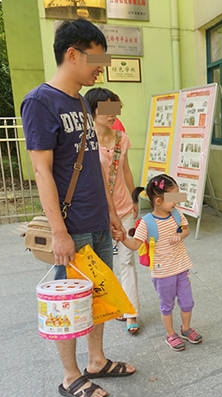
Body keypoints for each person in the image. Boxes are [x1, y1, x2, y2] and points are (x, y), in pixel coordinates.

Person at [21, 19, 135, 397]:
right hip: (72, 226)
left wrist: (112, 213)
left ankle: (97, 361)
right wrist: (59, 231)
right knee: (70, 301)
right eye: (95, 58)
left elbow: (91, 167)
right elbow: (42, 170)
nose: (100, 67)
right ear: (72, 54)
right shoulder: (40, 102)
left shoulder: (82, 105)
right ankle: (70, 376)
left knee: (98, 296)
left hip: (99, 219)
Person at [121, 174, 202, 351]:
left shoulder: (176, 214)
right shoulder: (147, 223)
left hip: (181, 267)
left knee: (187, 302)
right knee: (167, 305)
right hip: (162, 273)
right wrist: (122, 239)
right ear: (158, 200)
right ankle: (170, 334)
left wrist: (179, 235)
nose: (176, 202)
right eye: (173, 198)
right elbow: (135, 244)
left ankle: (185, 329)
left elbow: (186, 229)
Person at [85, 88, 140, 334]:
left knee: (127, 261)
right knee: (103, 265)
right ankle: (110, 308)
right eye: (106, 109)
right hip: (97, 212)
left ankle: (131, 312)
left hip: (124, 207)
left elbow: (126, 171)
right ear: (92, 111)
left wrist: (134, 198)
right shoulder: (84, 142)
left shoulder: (122, 139)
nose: (112, 114)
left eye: (115, 108)